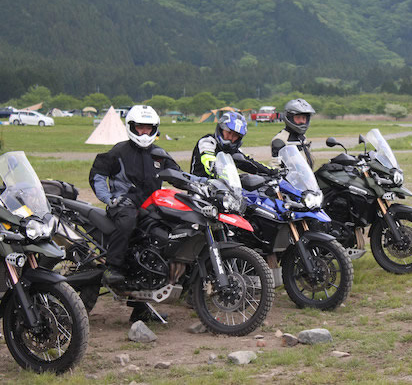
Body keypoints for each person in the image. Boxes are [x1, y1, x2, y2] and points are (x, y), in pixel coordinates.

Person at [89, 105, 180, 322]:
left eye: (149, 129)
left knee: (159, 241)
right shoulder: (119, 152)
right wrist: (109, 198)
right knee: (128, 220)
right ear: (131, 127)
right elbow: (97, 175)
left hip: (151, 206)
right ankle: (113, 267)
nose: (144, 133)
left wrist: (203, 183)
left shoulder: (159, 154)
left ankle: (141, 308)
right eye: (140, 128)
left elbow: (179, 175)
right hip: (124, 204)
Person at [190, 111, 277, 178]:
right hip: (199, 190)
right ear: (221, 129)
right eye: (228, 132)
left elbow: (249, 163)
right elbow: (210, 164)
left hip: (223, 193)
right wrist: (235, 177)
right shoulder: (207, 142)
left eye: (236, 135)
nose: (231, 137)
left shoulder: (233, 150)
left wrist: (273, 172)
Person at [271, 98, 315, 168]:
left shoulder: (302, 137)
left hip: (304, 178)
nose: (302, 121)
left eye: (304, 118)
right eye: (298, 118)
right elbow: (275, 167)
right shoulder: (280, 140)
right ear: (289, 118)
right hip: (289, 178)